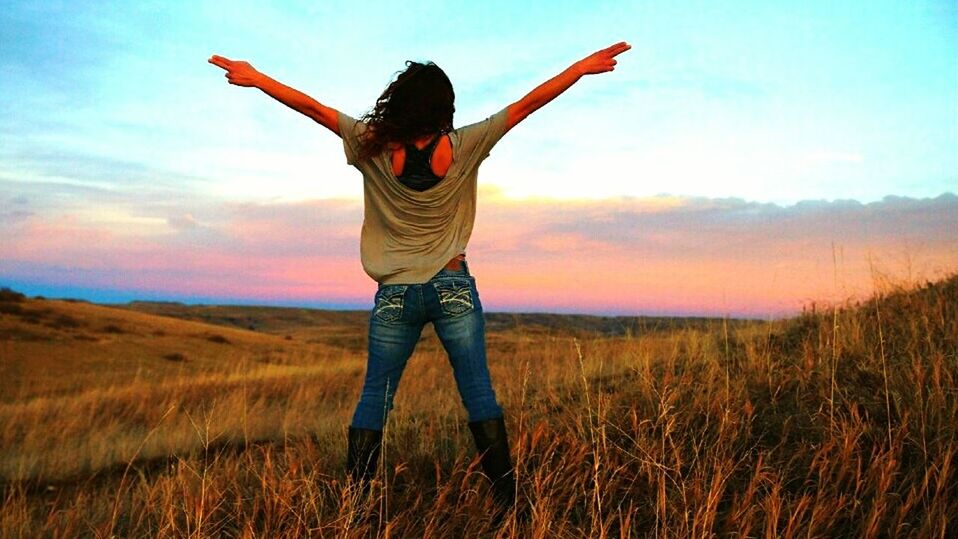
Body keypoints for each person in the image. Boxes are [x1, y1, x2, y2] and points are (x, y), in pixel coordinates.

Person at [208, 41, 631, 523]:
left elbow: (311, 107)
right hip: (453, 286)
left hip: (394, 294)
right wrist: (578, 68)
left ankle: (357, 510)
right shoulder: (466, 144)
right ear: (445, 106)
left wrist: (258, 77)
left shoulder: (368, 142)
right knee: (479, 394)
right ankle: (507, 511)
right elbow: (529, 104)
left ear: (399, 101)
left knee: (375, 397)